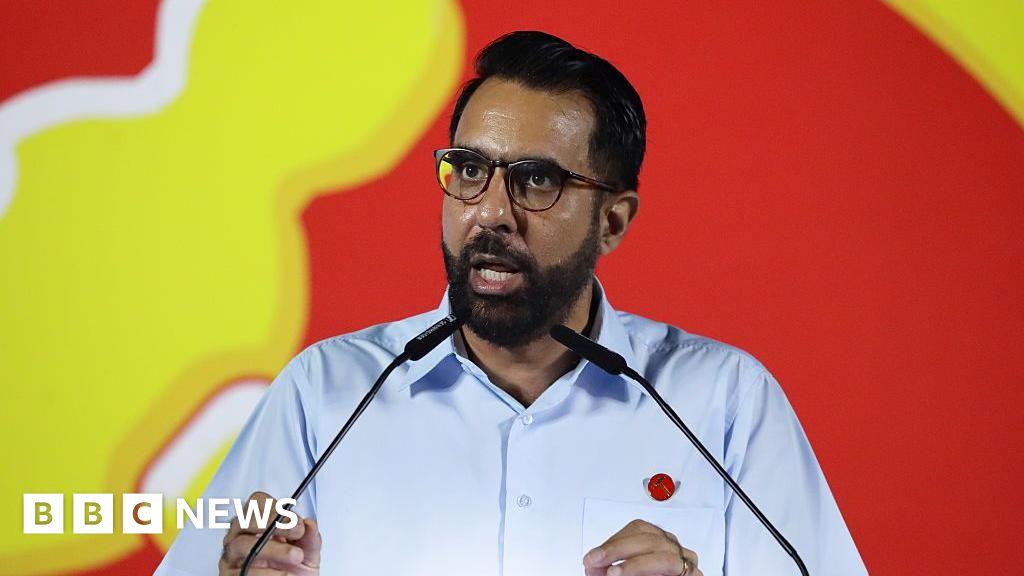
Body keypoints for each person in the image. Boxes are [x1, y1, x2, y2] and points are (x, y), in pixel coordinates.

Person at [155, 31, 867, 576]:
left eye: (536, 181)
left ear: (613, 221)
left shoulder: (723, 402)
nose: (490, 212)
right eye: (469, 169)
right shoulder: (326, 394)